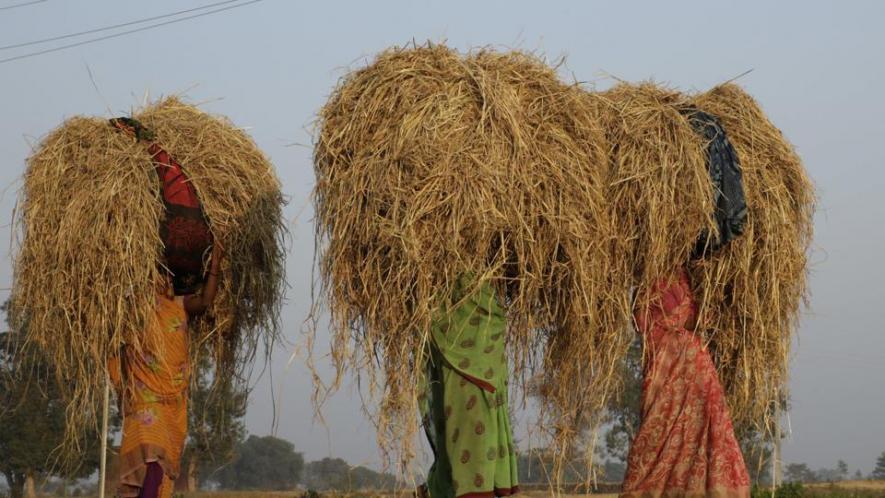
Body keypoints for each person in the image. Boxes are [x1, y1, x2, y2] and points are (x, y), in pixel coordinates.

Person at [109, 242, 222, 498]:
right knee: (151, 453)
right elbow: (113, 343)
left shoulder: (180, 306)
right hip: (145, 399)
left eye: (168, 275)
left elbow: (205, 301)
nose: (166, 279)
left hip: (174, 401)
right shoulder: (133, 310)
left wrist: (215, 264)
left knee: (159, 466)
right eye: (160, 273)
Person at [419, 275, 519, 498]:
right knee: (463, 427)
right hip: (456, 364)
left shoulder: (489, 291)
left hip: (486, 355)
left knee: (482, 428)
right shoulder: (444, 296)